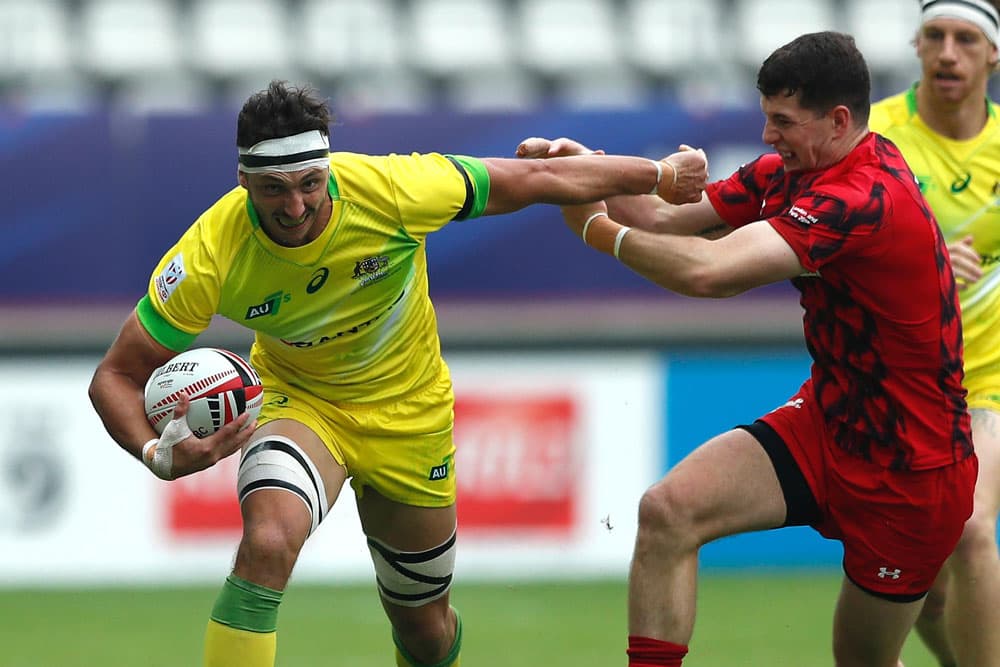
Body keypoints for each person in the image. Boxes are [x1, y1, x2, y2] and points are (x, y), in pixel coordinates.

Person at [86, 80, 707, 667]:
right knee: (268, 543)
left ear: (328, 167)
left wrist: (661, 174)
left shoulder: (392, 189)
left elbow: (539, 176)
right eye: (274, 188)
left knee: (425, 630)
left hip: (412, 418)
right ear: (243, 178)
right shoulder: (209, 254)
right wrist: (153, 454)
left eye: (310, 182)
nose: (296, 205)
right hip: (300, 406)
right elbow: (114, 376)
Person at [517, 31, 976, 666]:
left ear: (839, 121)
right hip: (830, 423)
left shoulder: (864, 196)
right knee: (669, 512)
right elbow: (660, 218)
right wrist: (586, 168)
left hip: (911, 469)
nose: (768, 137)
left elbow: (709, 272)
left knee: (863, 661)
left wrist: (597, 231)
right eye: (766, 119)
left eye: (783, 122)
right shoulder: (794, 170)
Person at [868, 1, 1000, 665]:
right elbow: (831, 245)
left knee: (973, 524)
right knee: (928, 582)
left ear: (993, 56)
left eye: (966, 39)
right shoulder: (873, 137)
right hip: (900, 386)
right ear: (917, 46)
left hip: (987, 379)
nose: (948, 52)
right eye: (935, 37)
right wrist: (925, 258)